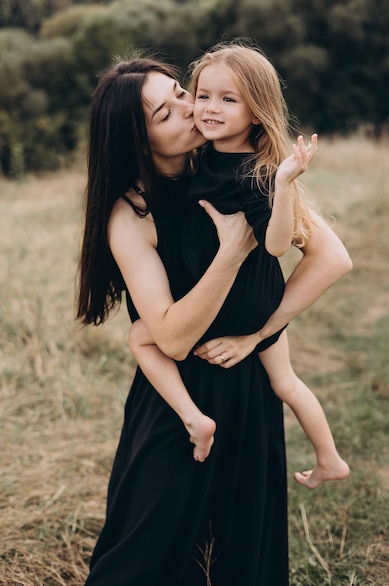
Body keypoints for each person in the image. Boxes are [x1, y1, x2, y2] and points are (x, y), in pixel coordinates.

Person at [76, 52, 352, 586]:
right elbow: (173, 340)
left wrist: (258, 334)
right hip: (177, 405)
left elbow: (331, 258)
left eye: (182, 91)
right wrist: (231, 254)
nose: (191, 107)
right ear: (140, 140)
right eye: (167, 111)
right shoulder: (130, 214)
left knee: (239, 559)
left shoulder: (235, 171)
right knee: (141, 559)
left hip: (246, 390)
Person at [128, 42, 349, 489]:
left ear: (256, 112)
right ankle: (329, 460)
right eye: (202, 95)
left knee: (141, 336)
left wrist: (284, 186)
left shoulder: (261, 172)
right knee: (286, 384)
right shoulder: (208, 155)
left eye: (228, 100)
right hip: (252, 303)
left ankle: (198, 419)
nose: (205, 109)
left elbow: (277, 245)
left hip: (242, 304)